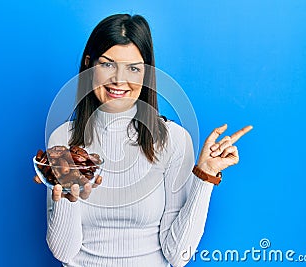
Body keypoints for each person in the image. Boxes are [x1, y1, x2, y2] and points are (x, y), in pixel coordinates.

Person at [41, 14, 252, 267]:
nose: (119, 80)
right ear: (89, 65)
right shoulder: (63, 140)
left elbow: (178, 255)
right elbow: (63, 251)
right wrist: (66, 193)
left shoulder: (173, 140)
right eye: (107, 65)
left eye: (133, 68)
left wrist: (204, 176)